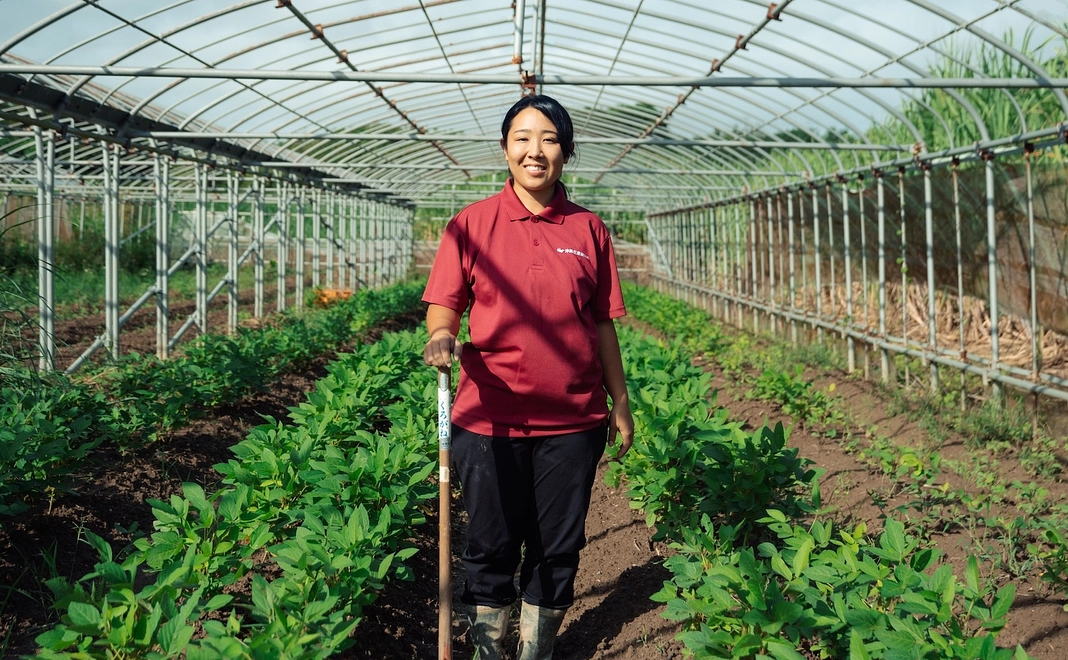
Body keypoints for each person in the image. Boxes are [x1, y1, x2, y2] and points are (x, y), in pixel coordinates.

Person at [422, 94, 634, 660]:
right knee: (490, 544)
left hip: (572, 421)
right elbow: (444, 303)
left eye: (548, 138)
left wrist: (620, 400)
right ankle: (491, 652)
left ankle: (534, 651)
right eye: (522, 137)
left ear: (566, 151)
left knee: (557, 548)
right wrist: (440, 334)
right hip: (487, 419)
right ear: (505, 148)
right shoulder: (470, 224)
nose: (534, 150)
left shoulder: (589, 229)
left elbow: (602, 324)